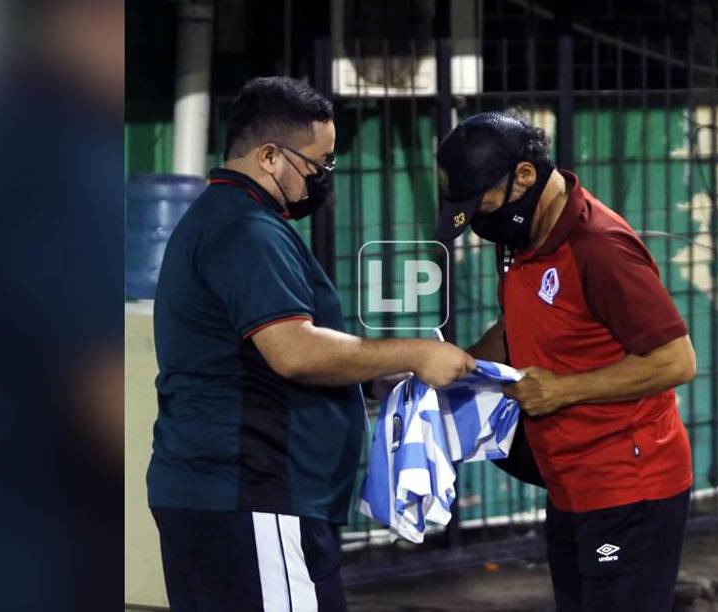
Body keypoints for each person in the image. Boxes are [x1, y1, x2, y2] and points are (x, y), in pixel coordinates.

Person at [147, 76, 474, 612]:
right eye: (317, 165)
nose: (322, 180)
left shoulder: (228, 220)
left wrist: (369, 375)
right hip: (252, 495)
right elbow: (294, 351)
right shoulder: (245, 230)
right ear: (270, 156)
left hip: (232, 496)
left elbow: (268, 353)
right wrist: (416, 353)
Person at [435, 111, 697, 611]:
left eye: (484, 202)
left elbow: (676, 361)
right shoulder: (520, 239)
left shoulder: (600, 247)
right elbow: (516, 327)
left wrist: (561, 389)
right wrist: (453, 368)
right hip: (570, 486)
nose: (480, 220)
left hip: (629, 488)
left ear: (525, 176)